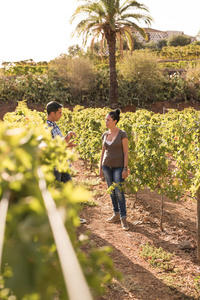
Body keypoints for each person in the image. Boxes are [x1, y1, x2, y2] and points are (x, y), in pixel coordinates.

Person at [46, 101, 86, 224]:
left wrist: (67, 138)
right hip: (55, 165)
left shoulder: (55, 125)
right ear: (52, 113)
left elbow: (59, 143)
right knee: (57, 191)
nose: (61, 115)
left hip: (62, 163)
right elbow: (51, 147)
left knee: (68, 189)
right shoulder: (47, 127)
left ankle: (71, 216)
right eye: (59, 113)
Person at [99, 109, 129, 230]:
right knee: (111, 191)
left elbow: (126, 152)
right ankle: (116, 214)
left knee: (119, 191)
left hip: (119, 167)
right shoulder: (105, 134)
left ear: (115, 121)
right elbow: (102, 152)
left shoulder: (122, 134)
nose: (106, 122)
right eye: (105, 119)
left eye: (108, 120)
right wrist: (100, 167)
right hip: (106, 166)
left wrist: (125, 168)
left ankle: (123, 218)